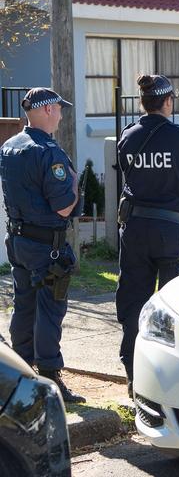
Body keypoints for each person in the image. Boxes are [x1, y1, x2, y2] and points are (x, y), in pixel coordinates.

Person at [116, 75, 179, 397]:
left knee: (133, 303)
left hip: (135, 232)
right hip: (172, 233)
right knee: (173, 306)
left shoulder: (127, 137)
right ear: (168, 101)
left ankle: (133, 375)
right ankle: (170, 379)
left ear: (143, 102)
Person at [0, 87, 85, 403]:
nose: (61, 115)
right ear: (47, 109)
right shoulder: (49, 152)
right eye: (59, 109)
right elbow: (64, 207)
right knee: (50, 309)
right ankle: (49, 378)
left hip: (19, 242)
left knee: (24, 304)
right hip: (48, 248)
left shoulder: (9, 147)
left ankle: (21, 373)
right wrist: (75, 186)